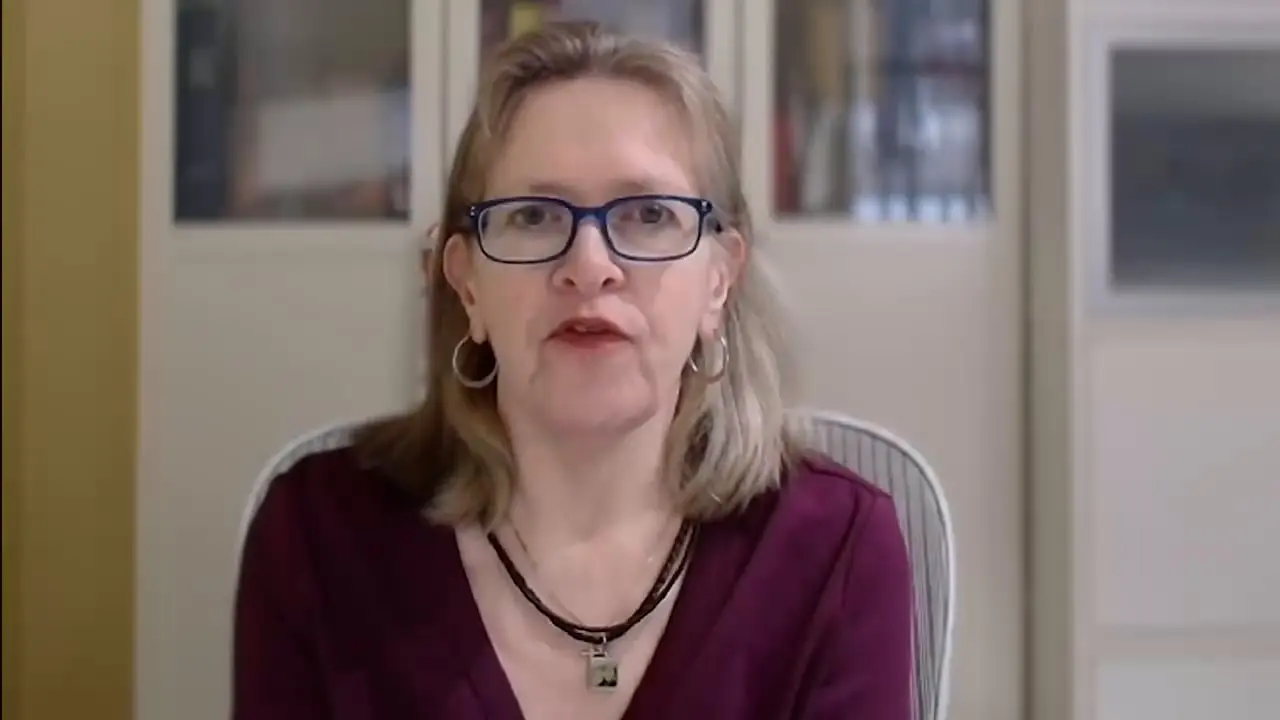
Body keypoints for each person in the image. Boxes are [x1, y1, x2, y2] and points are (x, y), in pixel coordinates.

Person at [233, 21, 913, 720]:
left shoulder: (838, 549)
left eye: (648, 213)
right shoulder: (316, 537)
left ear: (719, 281)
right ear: (467, 283)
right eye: (533, 215)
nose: (590, 266)